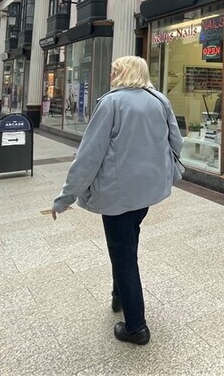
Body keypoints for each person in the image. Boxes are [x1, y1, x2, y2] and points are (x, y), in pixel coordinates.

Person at [50, 56, 183, 345]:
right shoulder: (159, 100)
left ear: (126, 71)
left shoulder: (111, 103)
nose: (111, 72)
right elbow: (176, 141)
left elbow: (89, 154)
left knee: (123, 254)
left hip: (117, 194)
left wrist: (66, 196)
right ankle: (118, 295)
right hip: (147, 191)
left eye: (115, 68)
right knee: (127, 242)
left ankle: (136, 327)